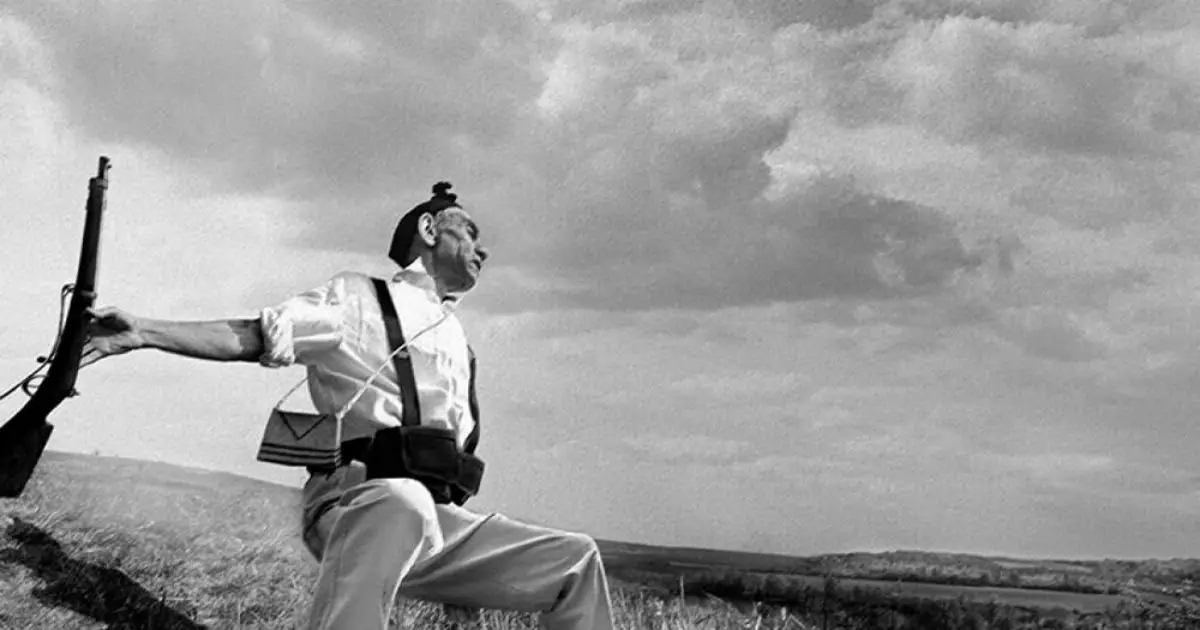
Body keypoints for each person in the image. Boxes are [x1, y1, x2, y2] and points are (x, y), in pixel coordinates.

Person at [83, 183, 615, 629]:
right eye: (470, 231)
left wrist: (466, 586)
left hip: (435, 520)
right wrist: (145, 331)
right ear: (429, 232)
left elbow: (446, 464)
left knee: (576, 559)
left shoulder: (459, 341)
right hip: (353, 504)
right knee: (399, 502)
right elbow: (257, 336)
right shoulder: (358, 297)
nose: (483, 249)